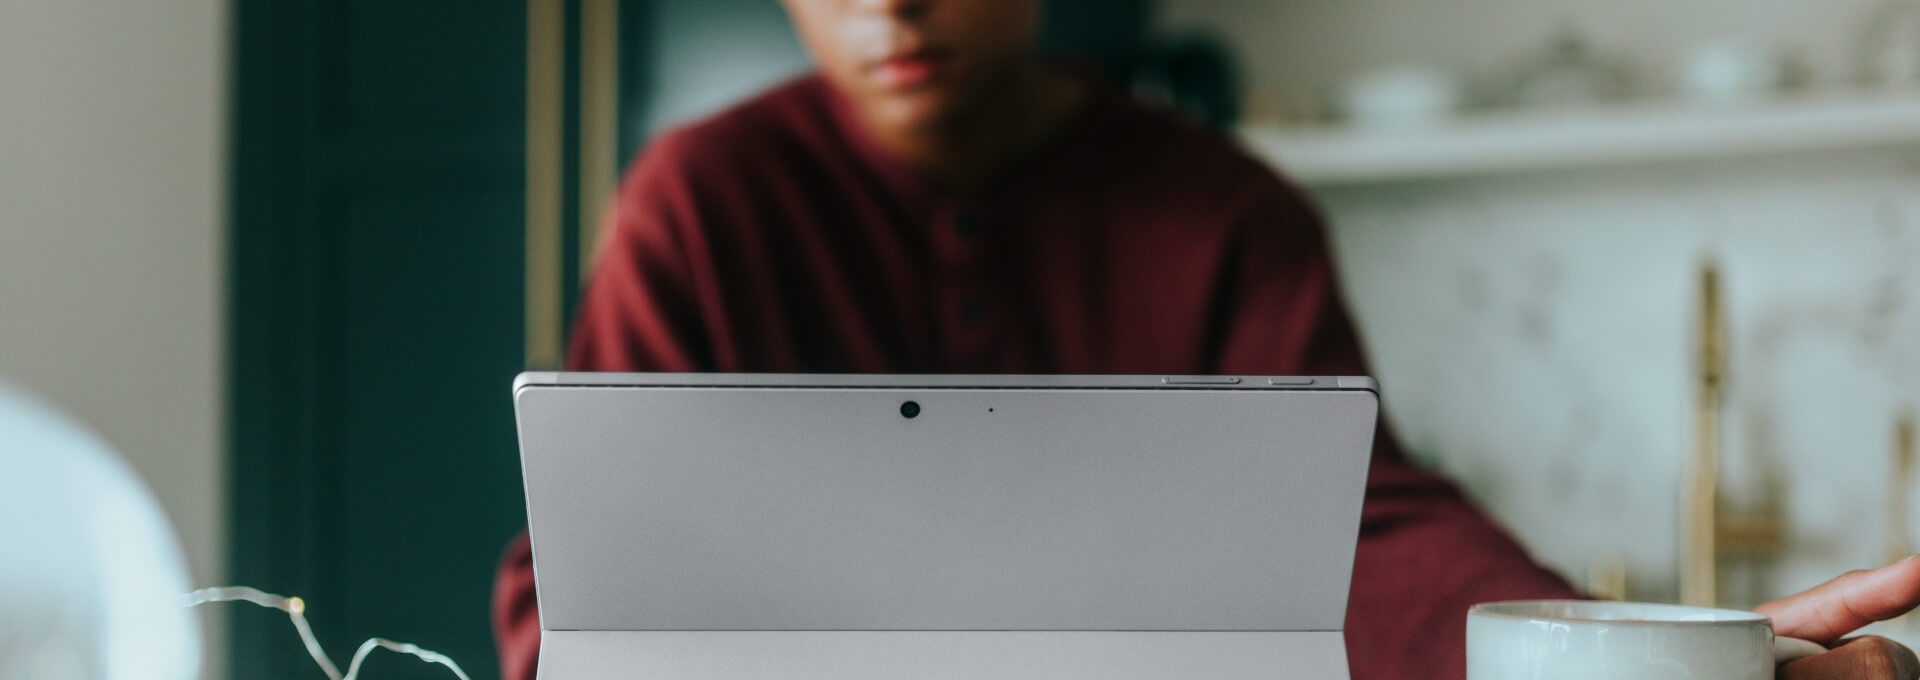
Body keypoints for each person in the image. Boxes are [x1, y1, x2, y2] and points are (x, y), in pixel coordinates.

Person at [494, 1, 1920, 677]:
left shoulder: (1225, 213)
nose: (890, 4)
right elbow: (582, 584)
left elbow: (1361, 533)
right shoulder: (699, 203)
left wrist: (1620, 665)